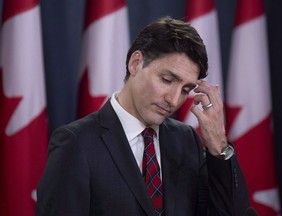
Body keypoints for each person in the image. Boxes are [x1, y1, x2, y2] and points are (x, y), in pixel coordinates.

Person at [36, 16, 250, 216]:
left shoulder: (187, 141)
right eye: (167, 79)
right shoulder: (76, 143)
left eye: (185, 90)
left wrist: (219, 147)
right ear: (136, 63)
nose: (174, 100)